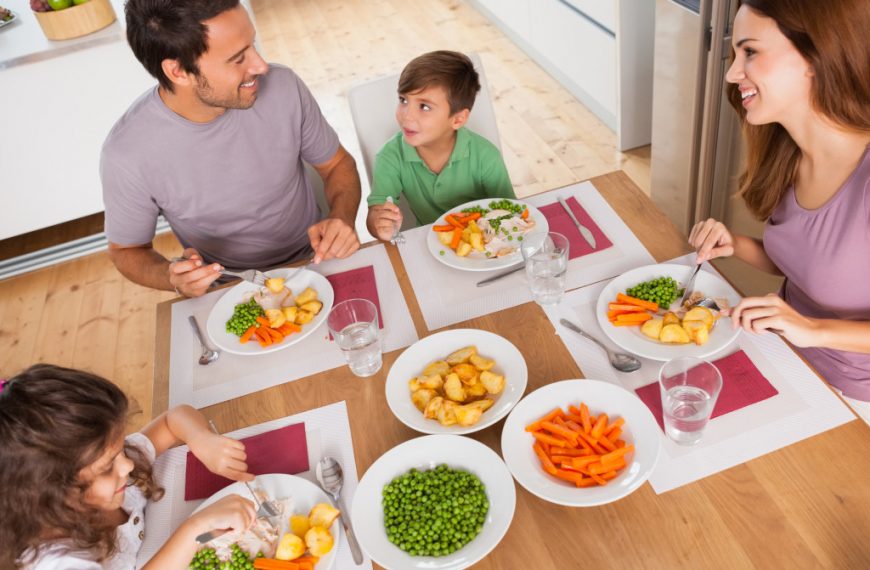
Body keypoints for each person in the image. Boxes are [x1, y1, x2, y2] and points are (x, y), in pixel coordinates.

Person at [102, 0, 362, 298]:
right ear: (178, 71)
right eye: (238, 58)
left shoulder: (284, 86)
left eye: (252, 44)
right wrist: (172, 277)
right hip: (228, 288)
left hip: (316, 261)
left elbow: (337, 165)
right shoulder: (128, 154)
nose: (261, 65)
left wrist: (341, 217)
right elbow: (126, 250)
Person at [688, 0, 870, 419]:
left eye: (750, 52)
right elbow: (812, 266)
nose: (733, 73)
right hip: (782, 357)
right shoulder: (790, 153)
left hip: (853, 401)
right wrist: (735, 244)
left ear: (815, 55)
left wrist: (812, 329)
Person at [0, 365, 257, 569]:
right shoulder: (58, 562)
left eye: (121, 447)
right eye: (105, 468)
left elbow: (172, 420)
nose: (128, 464)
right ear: (51, 494)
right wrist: (194, 529)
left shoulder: (110, 465)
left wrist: (201, 438)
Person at [366, 50, 515, 240]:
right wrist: (380, 224)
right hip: (428, 243)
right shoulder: (390, 156)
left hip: (486, 244)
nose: (407, 115)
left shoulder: (486, 156)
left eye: (424, 106)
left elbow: (509, 211)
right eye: (403, 100)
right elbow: (376, 212)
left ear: (458, 119)